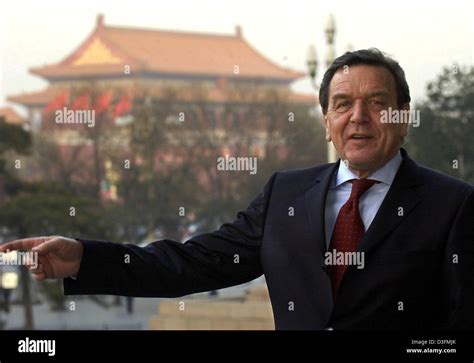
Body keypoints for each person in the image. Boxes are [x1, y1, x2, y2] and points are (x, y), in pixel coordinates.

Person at [1, 49, 472, 330]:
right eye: (343, 104)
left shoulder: (452, 205)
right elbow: (192, 264)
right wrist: (85, 257)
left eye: (377, 103)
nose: (359, 117)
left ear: (403, 115)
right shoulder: (288, 195)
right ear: (327, 121)